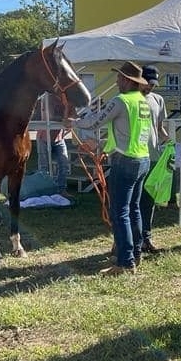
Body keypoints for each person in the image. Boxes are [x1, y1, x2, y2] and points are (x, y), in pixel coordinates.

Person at [69, 61, 153, 274]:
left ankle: (125, 262)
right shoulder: (143, 101)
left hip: (125, 161)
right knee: (134, 209)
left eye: (118, 77)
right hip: (142, 158)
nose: (116, 81)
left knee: (120, 212)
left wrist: (73, 122)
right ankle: (136, 252)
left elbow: (95, 121)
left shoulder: (121, 101)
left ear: (126, 80)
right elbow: (129, 131)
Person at [137, 65, 170, 254]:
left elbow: (158, 127)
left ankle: (146, 239)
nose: (150, 87)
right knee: (133, 202)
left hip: (154, 157)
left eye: (153, 84)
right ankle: (129, 240)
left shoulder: (158, 100)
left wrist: (169, 141)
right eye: (148, 83)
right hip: (135, 157)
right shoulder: (131, 99)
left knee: (148, 201)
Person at [34, 93, 72, 199]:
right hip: (44, 138)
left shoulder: (66, 98)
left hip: (59, 138)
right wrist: (66, 113)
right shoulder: (47, 97)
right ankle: (44, 190)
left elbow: (74, 116)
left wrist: (70, 116)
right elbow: (51, 117)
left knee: (64, 164)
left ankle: (61, 189)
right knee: (44, 167)